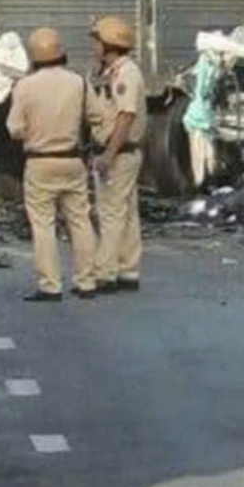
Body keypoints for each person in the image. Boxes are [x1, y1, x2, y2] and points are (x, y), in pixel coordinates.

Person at [6, 28, 105, 302]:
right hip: (72, 160)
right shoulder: (78, 83)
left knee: (43, 224)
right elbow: (96, 117)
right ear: (62, 53)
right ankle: (86, 281)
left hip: (39, 162)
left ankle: (50, 285)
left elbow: (14, 129)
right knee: (80, 220)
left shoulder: (24, 86)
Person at [90, 16, 147, 293]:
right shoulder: (115, 72)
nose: (94, 47)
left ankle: (105, 272)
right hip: (125, 153)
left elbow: (125, 117)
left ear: (109, 44)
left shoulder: (125, 74)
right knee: (126, 213)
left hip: (119, 153)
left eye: (97, 42)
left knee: (110, 212)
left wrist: (108, 155)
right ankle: (128, 269)